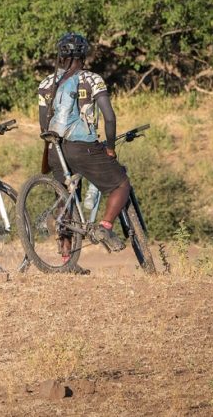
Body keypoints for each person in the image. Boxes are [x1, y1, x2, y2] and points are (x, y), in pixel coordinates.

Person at [38, 32, 128, 259]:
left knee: (65, 198)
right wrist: (110, 147)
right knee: (121, 184)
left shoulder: (47, 83)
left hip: (55, 150)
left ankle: (67, 258)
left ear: (60, 54)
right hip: (82, 147)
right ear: (84, 54)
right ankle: (105, 227)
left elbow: (43, 125)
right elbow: (109, 117)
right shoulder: (92, 79)